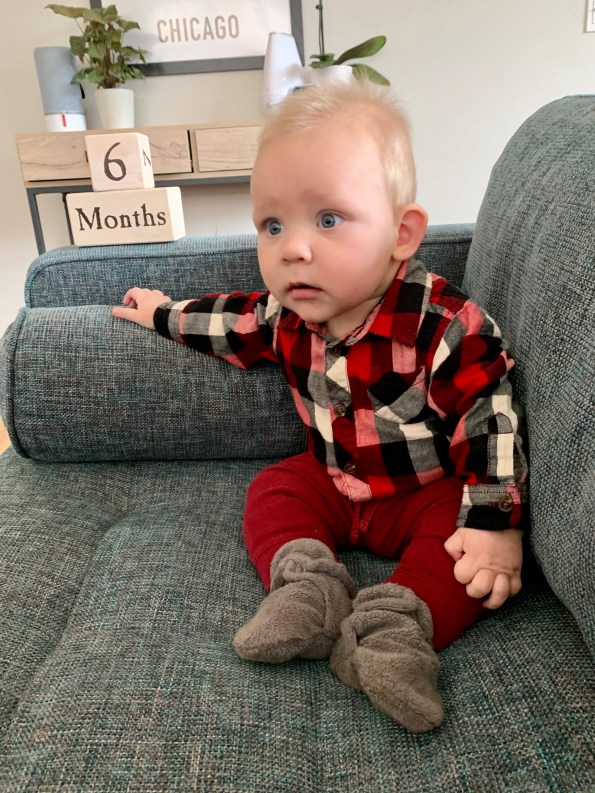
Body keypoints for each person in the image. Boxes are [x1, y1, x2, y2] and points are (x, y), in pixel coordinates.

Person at [112, 78, 527, 733]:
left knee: (463, 550)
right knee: (275, 487)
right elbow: (228, 323)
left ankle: (391, 633)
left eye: (327, 219)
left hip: (420, 491)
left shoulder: (445, 325)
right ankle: (309, 589)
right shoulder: (284, 316)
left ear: (401, 233)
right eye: (272, 225)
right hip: (330, 482)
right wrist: (162, 313)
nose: (293, 248)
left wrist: (494, 521)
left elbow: (489, 415)